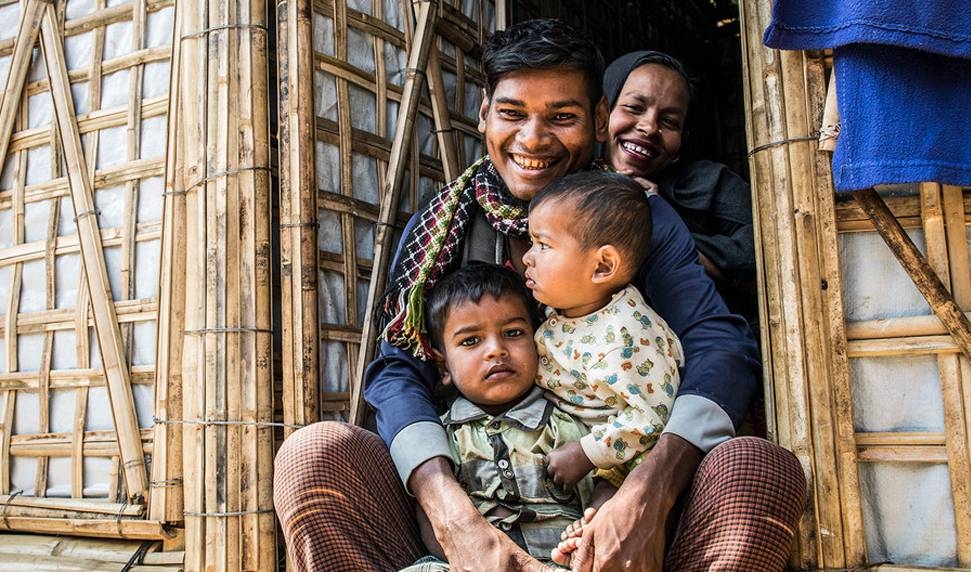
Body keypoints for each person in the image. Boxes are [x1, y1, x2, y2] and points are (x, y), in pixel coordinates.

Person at [273, 19, 806, 572]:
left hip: (612, 506)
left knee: (758, 467)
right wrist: (450, 512)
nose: (532, 138)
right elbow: (398, 368)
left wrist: (648, 493)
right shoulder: (437, 232)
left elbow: (718, 344)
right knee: (314, 457)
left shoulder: (631, 220)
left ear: (600, 120)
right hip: (472, 497)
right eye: (512, 113)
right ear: (484, 115)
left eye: (562, 117)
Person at [399, 263, 614, 571]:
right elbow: (431, 518)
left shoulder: (567, 422)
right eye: (471, 341)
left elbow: (607, 482)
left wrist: (591, 527)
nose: (496, 350)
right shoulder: (442, 439)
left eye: (513, 333)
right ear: (444, 367)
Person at [524, 171, 683, 493]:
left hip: (619, 460)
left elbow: (651, 416)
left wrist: (587, 453)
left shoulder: (627, 335)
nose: (528, 257)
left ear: (602, 266)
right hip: (565, 440)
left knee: (610, 496)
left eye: (543, 245)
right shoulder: (570, 308)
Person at [602, 51, 760, 333]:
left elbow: (762, 258)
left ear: (683, 140)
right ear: (602, 114)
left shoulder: (710, 183)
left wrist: (660, 220)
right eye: (634, 108)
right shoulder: (568, 188)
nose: (649, 127)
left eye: (670, 122)